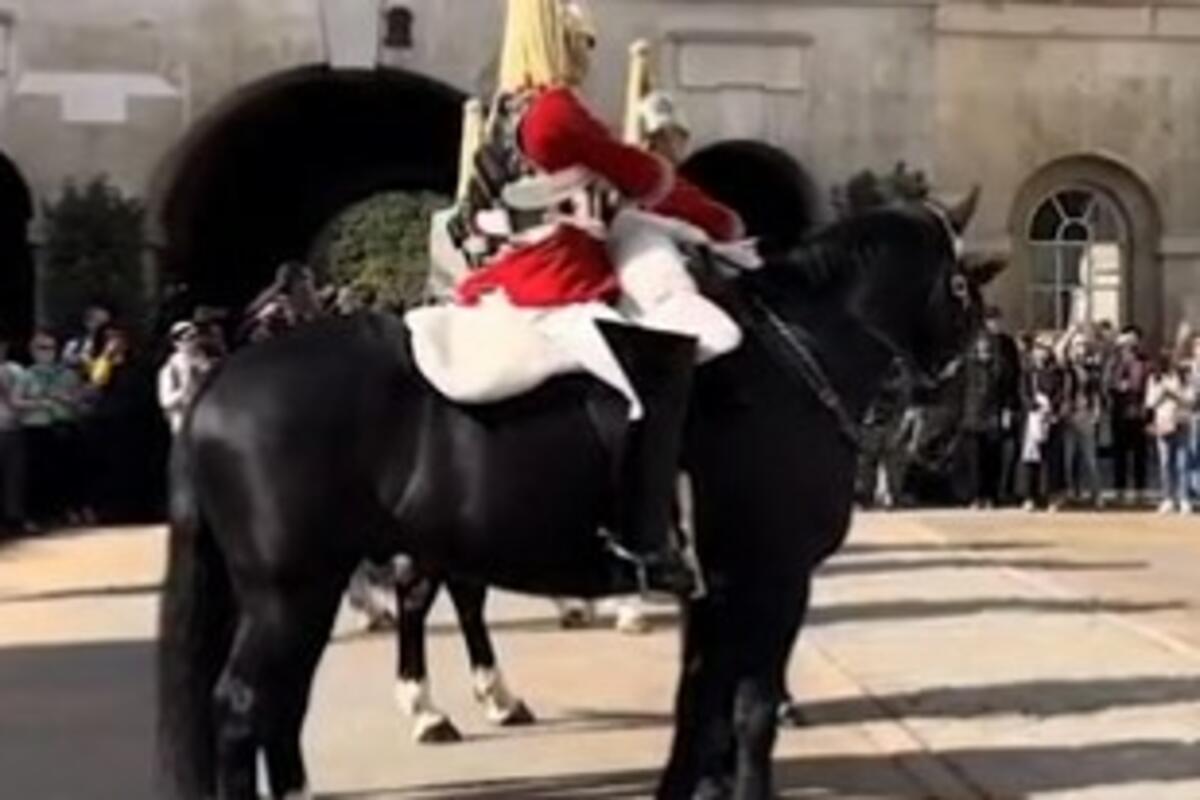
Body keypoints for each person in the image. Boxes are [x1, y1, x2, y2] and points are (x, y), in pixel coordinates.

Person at [435, 0, 752, 595]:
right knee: (660, 374)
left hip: (512, 278)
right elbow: (642, 177)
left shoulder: (509, 109)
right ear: (560, 41)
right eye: (584, 43)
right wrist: (718, 220)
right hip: (557, 287)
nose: (589, 56)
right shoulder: (555, 110)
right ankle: (643, 541)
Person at [16, 332, 84, 524]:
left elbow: (79, 400)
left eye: (51, 348)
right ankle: (36, 515)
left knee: (65, 472)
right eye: (41, 348)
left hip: (63, 424)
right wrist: (38, 403)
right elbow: (16, 401)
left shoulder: (67, 374)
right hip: (36, 426)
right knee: (37, 473)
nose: (46, 352)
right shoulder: (26, 375)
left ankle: (66, 511)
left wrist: (66, 399)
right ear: (32, 351)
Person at [1057, 326, 1105, 507]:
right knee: (1067, 458)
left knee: (1090, 458)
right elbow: (1059, 351)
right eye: (1077, 345)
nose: (1081, 349)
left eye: (1083, 345)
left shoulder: (1092, 368)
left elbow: (1097, 392)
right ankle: (1068, 492)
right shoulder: (1066, 367)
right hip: (1068, 415)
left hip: (1085, 414)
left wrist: (1096, 412)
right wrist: (1069, 333)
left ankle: (1096, 494)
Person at [1145, 350, 1195, 514]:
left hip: (1181, 422)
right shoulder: (1155, 379)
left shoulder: (1184, 377)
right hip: (1163, 423)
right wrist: (1162, 393)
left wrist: (1174, 394)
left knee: (1182, 463)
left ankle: (1184, 499)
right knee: (1165, 463)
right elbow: (1150, 403)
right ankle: (1167, 498)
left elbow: (1191, 400)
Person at [1106, 326, 1150, 505]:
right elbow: (1107, 383)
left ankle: (1140, 490)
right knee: (1120, 453)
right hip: (1119, 412)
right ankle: (1120, 489)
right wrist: (1117, 386)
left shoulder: (1144, 362)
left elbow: (1148, 385)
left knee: (1140, 454)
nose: (1130, 344)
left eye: (1133, 340)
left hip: (1139, 413)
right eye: (1126, 340)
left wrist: (1146, 409)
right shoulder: (1114, 362)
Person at [0, 338, 33, 535]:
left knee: (15, 477)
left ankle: (15, 518)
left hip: (13, 428)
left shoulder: (16, 370)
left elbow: (18, 399)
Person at [158, 322, 215, 435]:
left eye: (193, 337)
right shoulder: (170, 368)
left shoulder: (208, 361)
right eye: (184, 339)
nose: (190, 342)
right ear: (176, 343)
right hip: (184, 423)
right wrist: (185, 389)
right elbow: (165, 401)